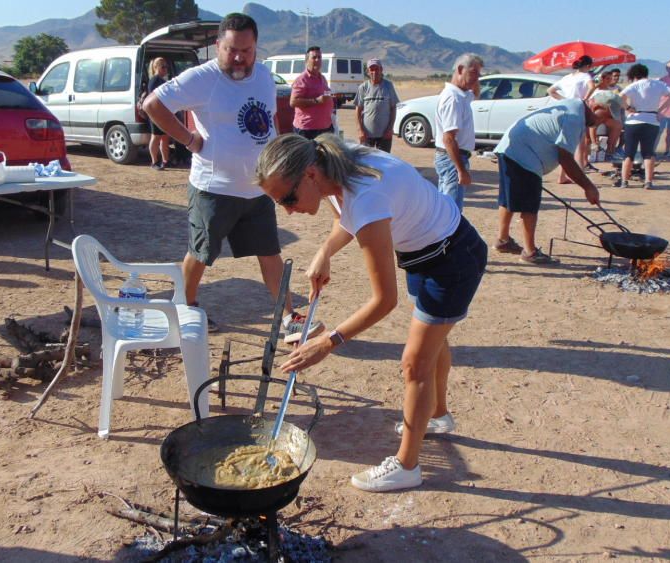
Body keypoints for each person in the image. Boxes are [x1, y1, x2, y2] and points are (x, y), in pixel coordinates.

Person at [255, 133, 487, 492]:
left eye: (288, 198)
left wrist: (328, 343)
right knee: (432, 344)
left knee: (414, 363)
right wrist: (326, 251)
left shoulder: (366, 195)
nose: (287, 210)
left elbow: (384, 300)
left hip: (452, 261)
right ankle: (437, 416)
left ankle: (407, 467)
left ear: (311, 175)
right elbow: (344, 216)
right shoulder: (335, 164)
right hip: (426, 252)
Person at [143, 13, 322, 339]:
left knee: (270, 254)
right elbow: (153, 105)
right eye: (231, 50)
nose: (239, 57)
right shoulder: (202, 78)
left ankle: (288, 319)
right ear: (218, 46)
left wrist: (280, 165)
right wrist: (189, 139)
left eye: (247, 50)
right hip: (214, 188)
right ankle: (186, 308)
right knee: (200, 254)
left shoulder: (265, 76)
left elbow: (270, 123)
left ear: (256, 48)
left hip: (257, 189)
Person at [492, 97, 619, 264]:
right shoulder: (574, 117)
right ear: (595, 106)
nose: (603, 122)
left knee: (509, 198)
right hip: (523, 153)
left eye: (608, 120)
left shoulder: (575, 107)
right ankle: (530, 252)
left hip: (511, 147)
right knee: (529, 205)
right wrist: (588, 187)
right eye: (605, 116)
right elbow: (565, 158)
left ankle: (503, 240)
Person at [434, 53, 483, 211]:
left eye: (479, 74)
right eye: (473, 72)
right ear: (460, 69)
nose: (477, 78)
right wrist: (461, 170)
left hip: (453, 158)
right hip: (452, 159)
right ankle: (448, 236)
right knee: (451, 210)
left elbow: (475, 94)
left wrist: (474, 79)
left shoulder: (462, 95)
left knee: (446, 206)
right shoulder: (453, 99)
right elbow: (449, 138)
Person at [619, 64, 670, 190]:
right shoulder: (658, 84)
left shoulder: (633, 85)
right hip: (652, 120)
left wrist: (628, 108)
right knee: (648, 153)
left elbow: (618, 98)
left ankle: (624, 181)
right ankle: (648, 181)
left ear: (634, 75)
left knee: (629, 153)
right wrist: (660, 109)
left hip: (634, 120)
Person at [548, 55, 597, 182]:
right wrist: (584, 99)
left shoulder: (566, 78)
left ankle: (563, 176)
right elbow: (592, 87)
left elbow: (551, 90)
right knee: (580, 146)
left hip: (565, 110)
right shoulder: (585, 76)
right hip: (578, 110)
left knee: (566, 144)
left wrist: (564, 100)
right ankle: (580, 176)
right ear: (587, 66)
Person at [354, 58, 399, 152]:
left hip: (384, 135)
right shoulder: (363, 87)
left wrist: (390, 129)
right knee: (366, 162)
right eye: (372, 69)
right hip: (366, 135)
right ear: (367, 71)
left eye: (377, 69)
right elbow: (358, 111)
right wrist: (360, 130)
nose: (374, 72)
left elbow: (393, 108)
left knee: (384, 163)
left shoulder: (388, 86)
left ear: (381, 70)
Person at [290, 46, 334, 140]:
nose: (317, 60)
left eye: (319, 57)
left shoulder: (322, 78)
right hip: (307, 130)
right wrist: (316, 100)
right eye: (314, 57)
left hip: (325, 128)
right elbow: (293, 102)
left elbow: (325, 96)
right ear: (307, 61)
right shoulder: (301, 80)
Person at [147, 57, 171, 170]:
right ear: (156, 68)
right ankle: (154, 162)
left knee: (165, 138)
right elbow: (153, 98)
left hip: (163, 113)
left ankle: (165, 161)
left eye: (166, 66)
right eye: (163, 66)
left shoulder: (162, 80)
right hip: (155, 113)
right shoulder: (154, 80)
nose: (166, 69)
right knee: (156, 137)